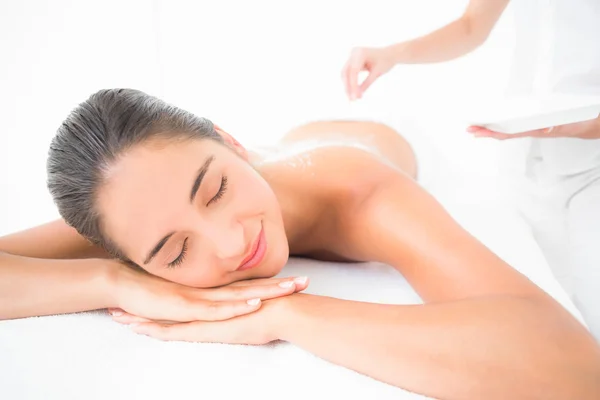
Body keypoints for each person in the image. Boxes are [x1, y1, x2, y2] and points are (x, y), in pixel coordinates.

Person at [0, 88, 599, 399]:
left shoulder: (360, 192)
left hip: (370, 137)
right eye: (175, 255)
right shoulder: (136, 214)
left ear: (230, 143)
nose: (231, 243)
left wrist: (286, 312)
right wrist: (115, 281)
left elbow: (574, 368)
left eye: (216, 191)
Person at [341, 0, 600, 339]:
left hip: (590, 162)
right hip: (523, 156)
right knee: (553, 300)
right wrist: (392, 54)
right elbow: (470, 26)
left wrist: (581, 126)